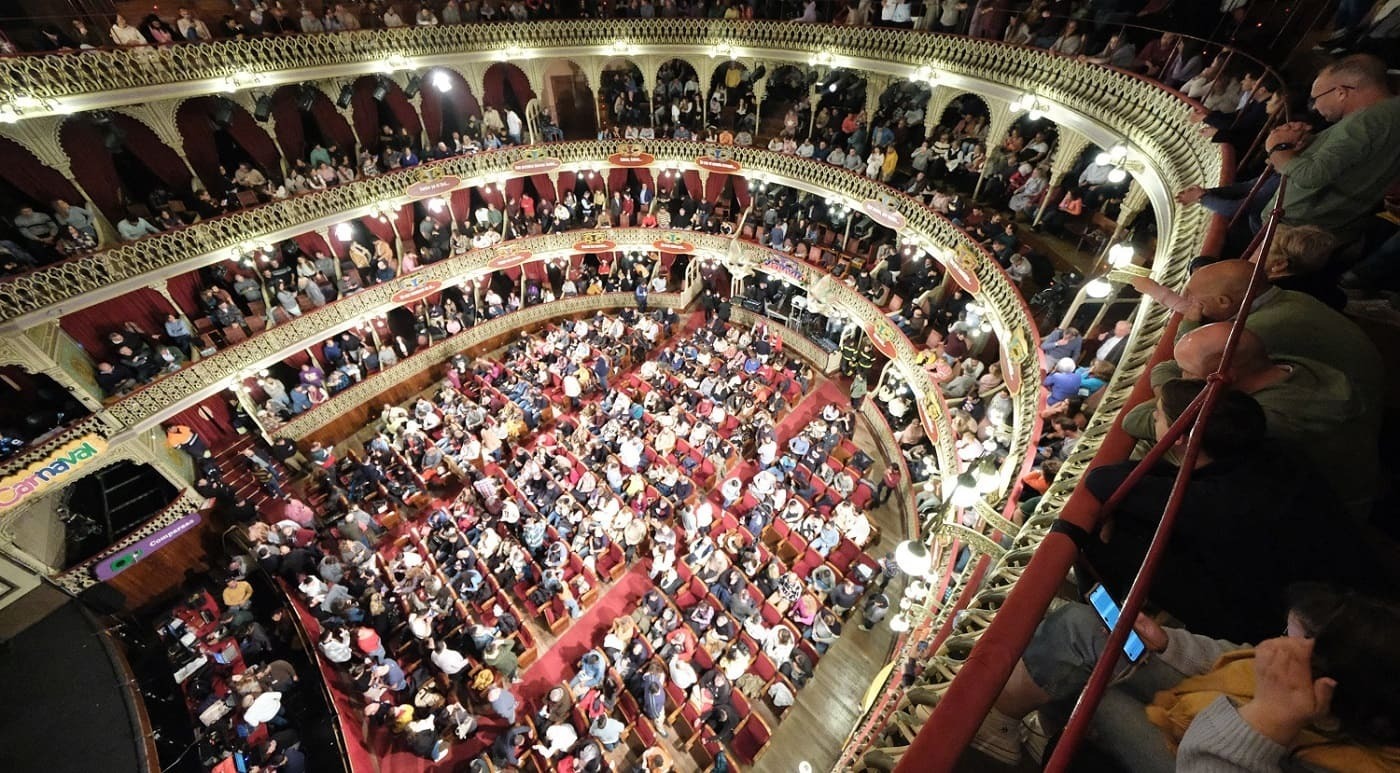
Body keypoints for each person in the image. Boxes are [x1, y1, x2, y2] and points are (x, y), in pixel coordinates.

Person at [970, 584, 1400, 772]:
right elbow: (1235, 659)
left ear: (1328, 685)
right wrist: (1167, 644)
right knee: (1083, 627)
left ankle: (1027, 742)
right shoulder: (1340, 671)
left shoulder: (1350, 762)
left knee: (1088, 686)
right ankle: (1000, 727)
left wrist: (1269, 719)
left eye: (1289, 639)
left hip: (1204, 757)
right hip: (1205, 711)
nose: (1273, 646)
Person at [1120, 324, 1376, 519]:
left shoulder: (1258, 420)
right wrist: (1176, 394)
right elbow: (1164, 368)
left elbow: (1135, 420)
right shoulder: (1285, 368)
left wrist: (1173, 400)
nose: (1182, 376)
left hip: (1331, 514)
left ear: (1226, 377)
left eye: (1188, 373)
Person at [1261, 55, 1400, 235]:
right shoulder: (1387, 111)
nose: (1315, 107)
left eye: (1315, 99)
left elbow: (1312, 176)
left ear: (1341, 92)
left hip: (1296, 227)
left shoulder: (1361, 123)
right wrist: (1309, 142)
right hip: (1334, 224)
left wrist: (1276, 147)